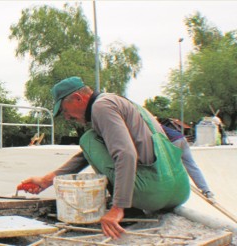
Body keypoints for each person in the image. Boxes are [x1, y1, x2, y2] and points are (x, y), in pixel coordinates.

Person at [17, 77, 190, 239]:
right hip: (179, 190)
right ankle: (129, 203)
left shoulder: (101, 107)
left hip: (151, 194)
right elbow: (89, 154)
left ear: (78, 98)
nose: (67, 117)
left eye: (64, 110)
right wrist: (47, 180)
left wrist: (118, 208)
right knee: (92, 141)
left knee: (88, 138)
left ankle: (129, 210)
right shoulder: (121, 102)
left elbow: (125, 154)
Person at [160, 124, 214, 198]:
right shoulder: (160, 125)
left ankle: (174, 191)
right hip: (182, 138)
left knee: (169, 166)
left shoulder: (151, 125)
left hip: (173, 141)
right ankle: (206, 190)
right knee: (191, 164)